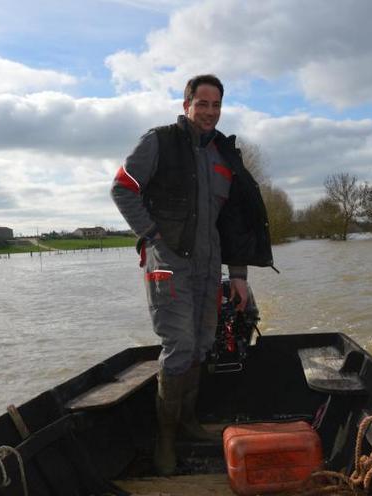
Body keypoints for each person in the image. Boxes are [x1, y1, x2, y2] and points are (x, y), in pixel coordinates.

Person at [110, 74, 274, 475]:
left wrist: (238, 275)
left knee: (202, 344)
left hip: (208, 263)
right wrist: (151, 234)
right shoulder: (160, 141)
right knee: (179, 344)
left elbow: (233, 220)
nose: (210, 112)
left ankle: (188, 422)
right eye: (202, 104)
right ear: (186, 105)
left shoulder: (223, 155)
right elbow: (122, 188)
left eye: (216, 105)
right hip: (168, 262)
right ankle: (165, 439)